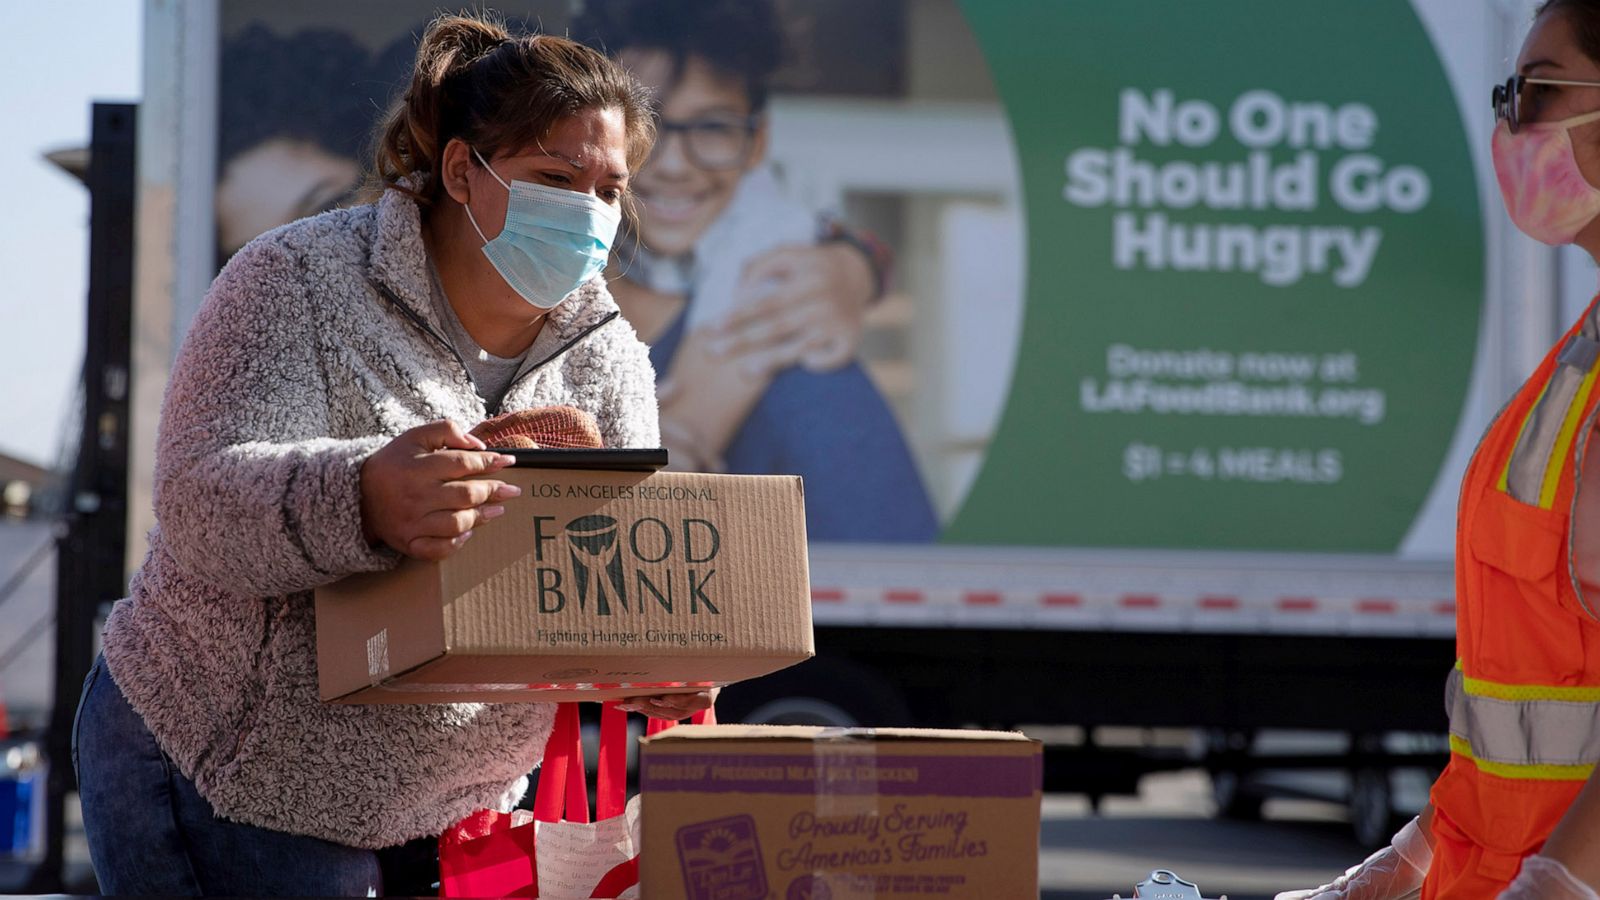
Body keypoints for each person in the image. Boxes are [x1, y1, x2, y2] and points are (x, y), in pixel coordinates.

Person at [72, 12, 709, 896]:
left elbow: (590, 582)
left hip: (461, 809)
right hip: (235, 776)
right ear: (460, 170)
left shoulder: (609, 356)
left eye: (609, 189)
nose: (590, 215)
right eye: (556, 177)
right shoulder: (295, 279)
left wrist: (645, 663)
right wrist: (363, 497)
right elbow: (196, 501)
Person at [1278, 2, 1600, 897]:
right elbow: (1515, 731)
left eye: (1537, 91)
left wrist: (1560, 886)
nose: (1511, 125)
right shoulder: (1583, 356)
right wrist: (1414, 858)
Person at [573, 0, 940, 542]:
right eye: (640, 124)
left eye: (714, 128)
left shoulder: (782, 304)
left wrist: (856, 264)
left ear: (757, 143)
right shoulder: (534, 271)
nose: (673, 163)